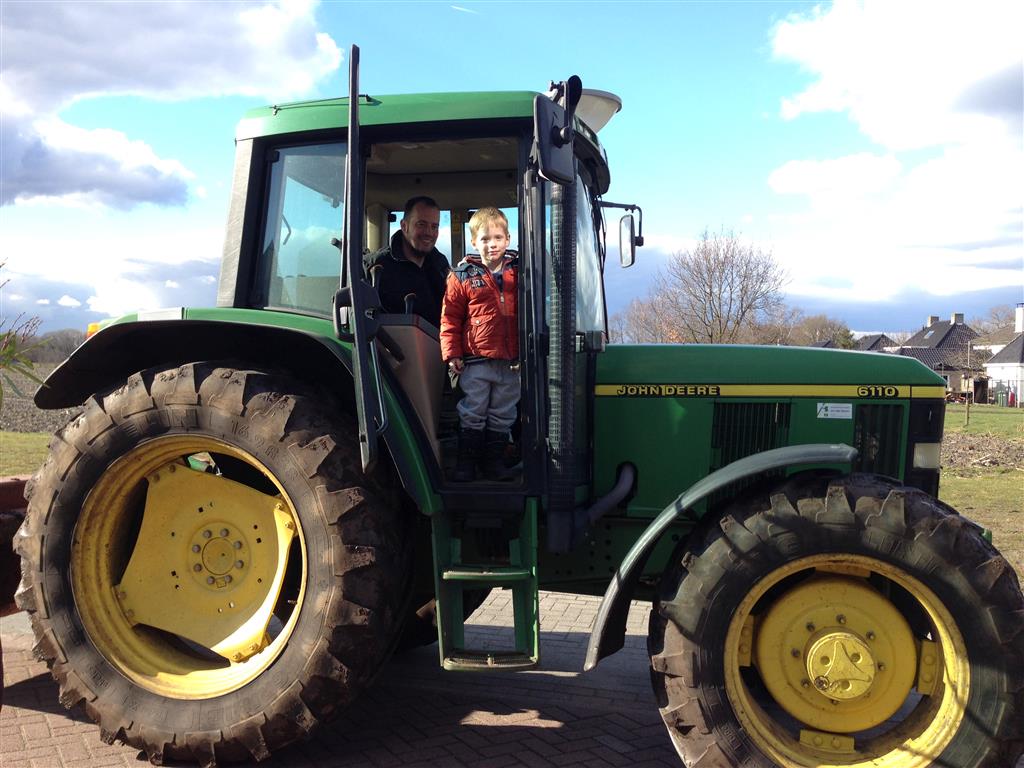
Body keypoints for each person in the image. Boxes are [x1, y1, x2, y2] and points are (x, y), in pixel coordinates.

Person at [440, 207, 519, 481]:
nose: (491, 244)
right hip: (476, 361)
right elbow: (450, 317)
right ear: (474, 242)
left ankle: (493, 464)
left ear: (508, 239)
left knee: (503, 413)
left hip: (511, 362)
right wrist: (453, 353)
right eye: (485, 239)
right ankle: (466, 465)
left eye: (497, 238)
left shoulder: (520, 272)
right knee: (473, 411)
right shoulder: (462, 275)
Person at [364, 196, 450, 326]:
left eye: (434, 227)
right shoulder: (375, 267)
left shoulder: (441, 266)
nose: (429, 233)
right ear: (404, 226)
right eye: (421, 224)